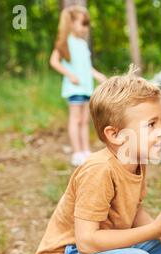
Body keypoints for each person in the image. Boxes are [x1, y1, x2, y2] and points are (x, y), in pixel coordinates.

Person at [33, 70, 161, 254]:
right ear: (115, 135)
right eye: (151, 125)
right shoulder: (99, 170)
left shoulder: (136, 161)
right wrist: (154, 230)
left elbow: (134, 209)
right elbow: (86, 242)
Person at [50, 5, 107, 166]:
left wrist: (97, 75)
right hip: (74, 88)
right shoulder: (65, 43)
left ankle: (85, 150)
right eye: (83, 23)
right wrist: (70, 75)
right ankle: (77, 152)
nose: (85, 28)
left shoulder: (82, 44)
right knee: (75, 119)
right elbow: (53, 61)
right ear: (72, 23)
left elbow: (87, 67)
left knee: (84, 120)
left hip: (86, 88)